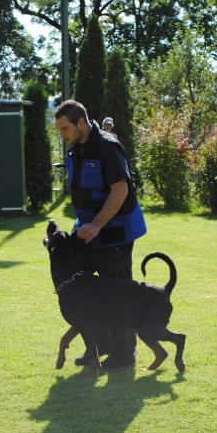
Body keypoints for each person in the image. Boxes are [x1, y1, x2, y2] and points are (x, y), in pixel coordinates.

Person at [54, 99, 147, 369]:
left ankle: (123, 353)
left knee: (117, 292)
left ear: (81, 122)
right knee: (83, 288)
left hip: (115, 233)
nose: (62, 134)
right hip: (88, 232)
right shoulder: (75, 151)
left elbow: (120, 190)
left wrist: (96, 225)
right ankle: (99, 346)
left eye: (64, 128)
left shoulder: (108, 147)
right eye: (59, 129)